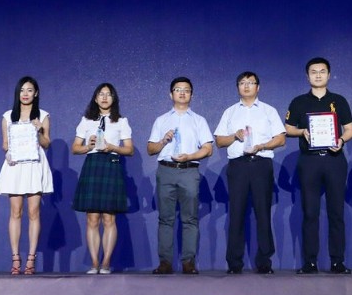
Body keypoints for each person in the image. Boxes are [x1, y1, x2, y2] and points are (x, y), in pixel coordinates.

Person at [285, 57, 352, 274]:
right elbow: (288, 128)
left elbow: (350, 130)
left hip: (334, 160)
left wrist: (341, 140)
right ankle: (310, 262)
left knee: (336, 212)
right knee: (310, 212)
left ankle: (337, 261)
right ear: (307, 76)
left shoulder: (339, 101)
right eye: (313, 72)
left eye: (322, 71)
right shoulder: (298, 102)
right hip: (309, 161)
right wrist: (302, 131)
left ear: (329, 75)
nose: (318, 75)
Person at [214, 71, 286, 274]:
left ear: (258, 87)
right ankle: (234, 263)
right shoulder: (230, 112)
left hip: (261, 164)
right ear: (238, 87)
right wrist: (234, 136)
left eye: (250, 83)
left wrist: (262, 146)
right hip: (238, 165)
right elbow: (219, 141)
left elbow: (281, 139)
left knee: (263, 213)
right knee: (236, 213)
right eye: (242, 83)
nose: (246, 86)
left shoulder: (268, 111)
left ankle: (264, 262)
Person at [146, 77, 214, 275]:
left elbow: (208, 149)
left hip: (189, 170)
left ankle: (188, 262)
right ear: (171, 94)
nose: (182, 93)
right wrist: (163, 141)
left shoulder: (199, 120)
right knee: (165, 218)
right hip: (166, 170)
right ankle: (165, 262)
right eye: (178, 89)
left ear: (191, 95)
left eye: (186, 90)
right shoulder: (161, 120)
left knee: (190, 218)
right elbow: (150, 149)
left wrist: (190, 156)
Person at [71, 82, 134, 274]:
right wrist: (88, 146)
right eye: (101, 94)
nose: (104, 97)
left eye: (108, 94)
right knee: (92, 218)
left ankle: (106, 262)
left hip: (111, 164)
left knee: (109, 218)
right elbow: (75, 148)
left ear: (114, 98)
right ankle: (94, 262)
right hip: (92, 164)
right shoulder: (86, 120)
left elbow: (129, 150)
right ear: (95, 98)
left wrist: (112, 147)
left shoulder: (121, 121)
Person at [0, 76, 53, 275]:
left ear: (36, 93)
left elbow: (46, 143)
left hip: (34, 164)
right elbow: (5, 144)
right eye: (22, 90)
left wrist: (39, 130)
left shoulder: (43, 115)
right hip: (16, 165)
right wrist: (8, 153)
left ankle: (31, 258)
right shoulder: (8, 116)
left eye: (29, 90)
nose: (25, 94)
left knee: (34, 211)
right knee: (15, 212)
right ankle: (15, 258)